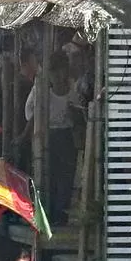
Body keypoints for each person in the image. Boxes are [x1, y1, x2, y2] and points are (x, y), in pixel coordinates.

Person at [24, 54, 80, 224]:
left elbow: (79, 117)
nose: (58, 76)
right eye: (54, 72)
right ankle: (50, 213)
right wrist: (25, 136)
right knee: (50, 176)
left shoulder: (73, 92)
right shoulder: (43, 94)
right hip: (49, 135)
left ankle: (61, 214)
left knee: (66, 178)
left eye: (61, 71)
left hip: (66, 136)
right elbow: (32, 116)